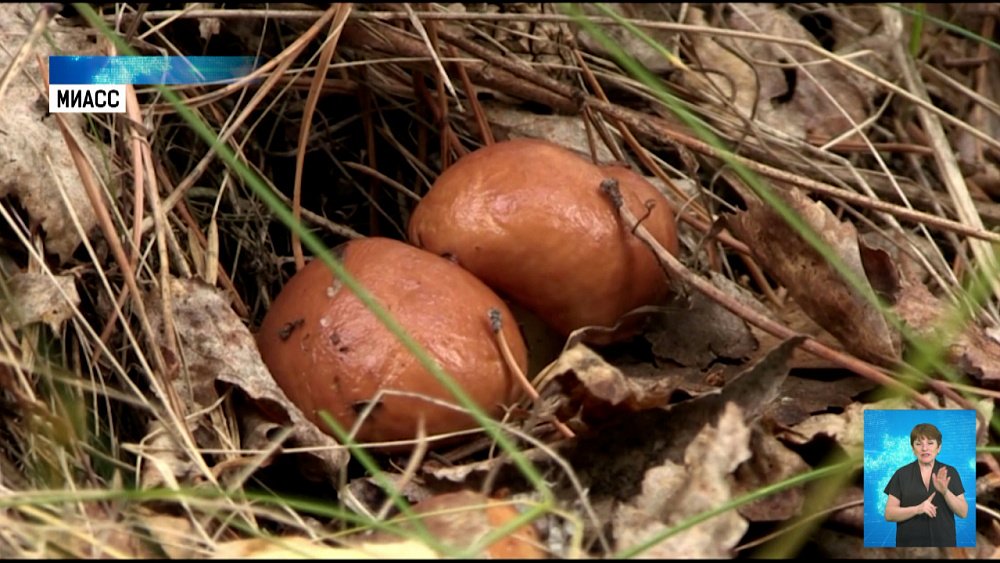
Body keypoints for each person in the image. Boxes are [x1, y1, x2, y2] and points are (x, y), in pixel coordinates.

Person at [883, 423, 968, 547]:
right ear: (913, 449)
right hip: (909, 548)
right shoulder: (901, 474)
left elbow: (963, 512)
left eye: (930, 443)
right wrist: (917, 509)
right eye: (918, 444)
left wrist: (945, 492)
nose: (924, 448)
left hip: (944, 547)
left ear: (939, 448)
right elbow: (889, 514)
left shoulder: (950, 472)